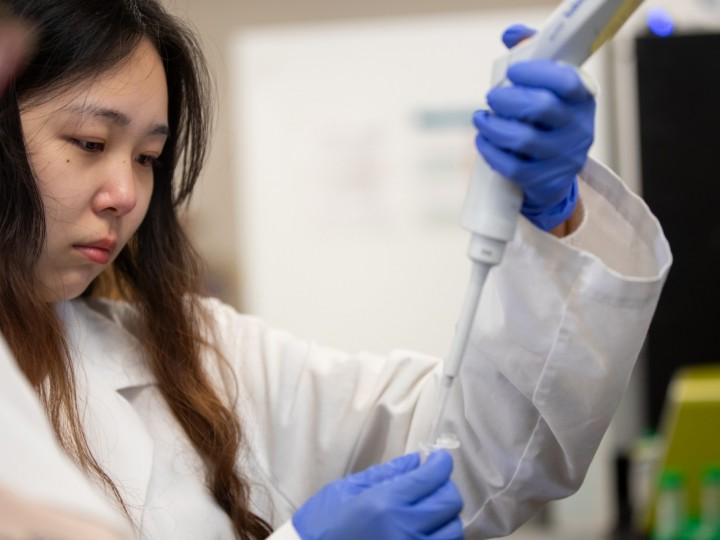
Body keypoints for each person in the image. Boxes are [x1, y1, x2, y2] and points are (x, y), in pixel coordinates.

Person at [0, 1, 671, 540]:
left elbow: (476, 457)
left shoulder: (188, 356)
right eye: (89, 143)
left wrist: (557, 213)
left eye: (147, 156)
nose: (125, 193)